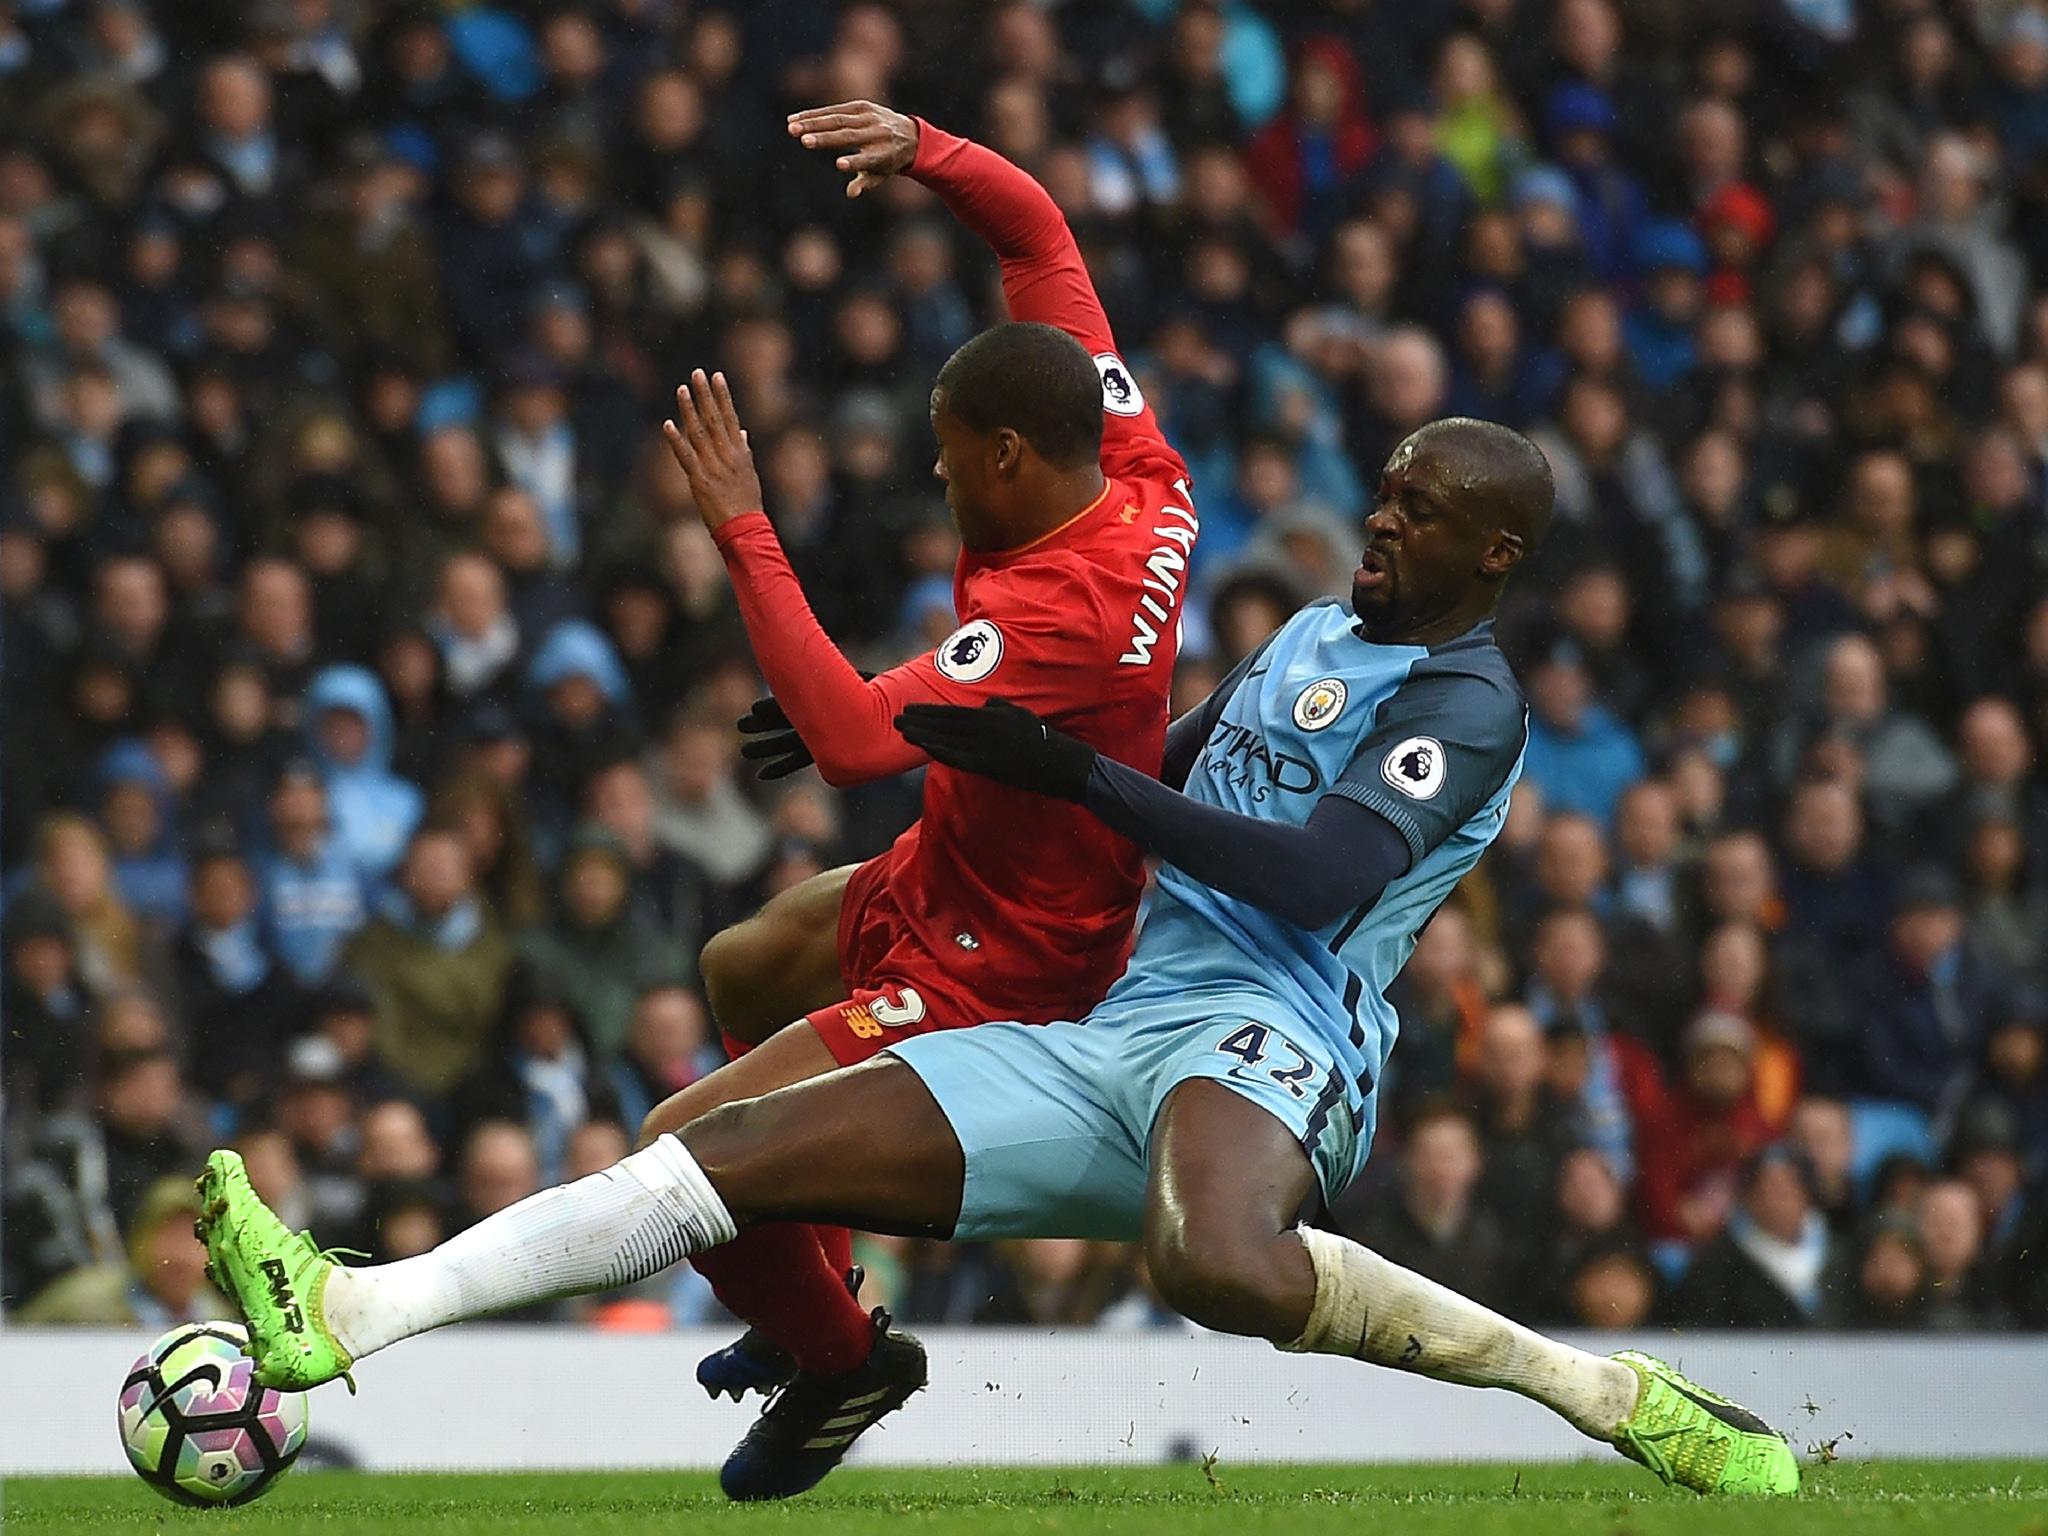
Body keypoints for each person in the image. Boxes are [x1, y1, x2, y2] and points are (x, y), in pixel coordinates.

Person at [200, 415, 1798, 1503]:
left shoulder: (1468, 703)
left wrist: (1081, 779)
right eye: (1386, 487)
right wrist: (923, 737)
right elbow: (1178, 764)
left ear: (1498, 552)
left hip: (1276, 1029)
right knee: (711, 1141)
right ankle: (349, 1312)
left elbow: (1316, 880)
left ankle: (1598, 1393)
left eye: (1425, 507)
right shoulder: (1316, 631)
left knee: (1213, 1267)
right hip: (1114, 1011)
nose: (1384, 514)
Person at [635, 100, 1202, 1493]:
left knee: (680, 1159)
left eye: (949, 447)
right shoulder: (1127, 455)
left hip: (1003, 952)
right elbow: (1040, 231)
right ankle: (801, 1287)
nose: (935, 467)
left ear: (1008, 454)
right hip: (957, 866)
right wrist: (924, 143)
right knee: (744, 960)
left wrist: (739, 522)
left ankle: (843, 1359)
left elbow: (844, 745)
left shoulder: (1059, 603)